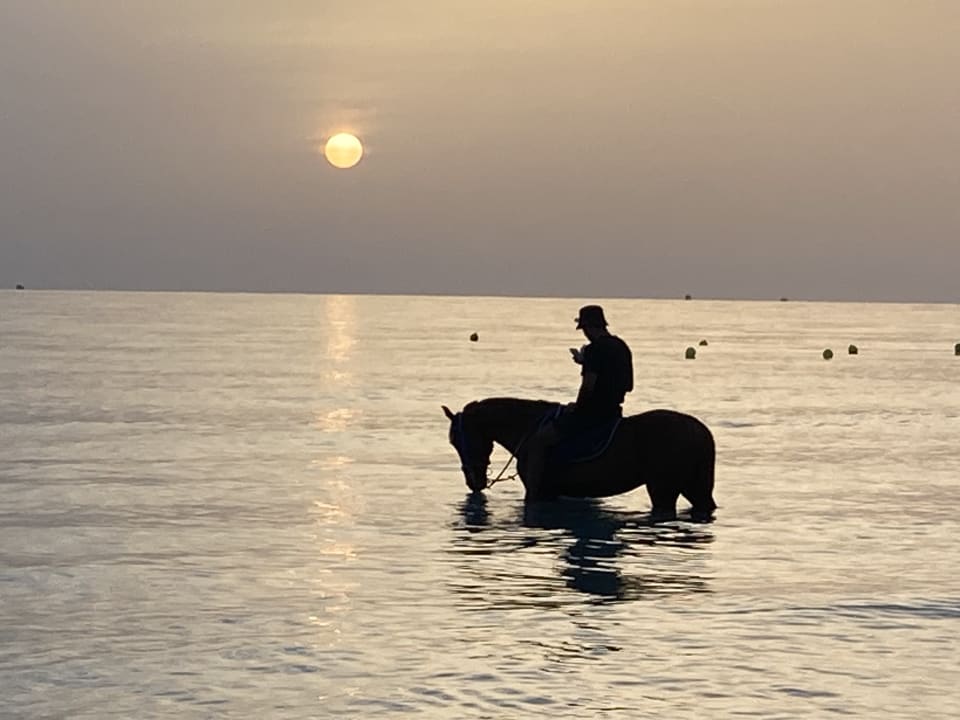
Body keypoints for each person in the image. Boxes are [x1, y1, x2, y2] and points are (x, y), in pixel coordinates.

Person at [523, 305, 634, 497]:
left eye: (584, 330)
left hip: (592, 413)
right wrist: (586, 362)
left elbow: (588, 386)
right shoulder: (621, 346)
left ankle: (536, 492)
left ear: (589, 327)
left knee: (539, 440)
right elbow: (627, 384)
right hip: (614, 411)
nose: (585, 334)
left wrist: (577, 408)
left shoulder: (594, 350)